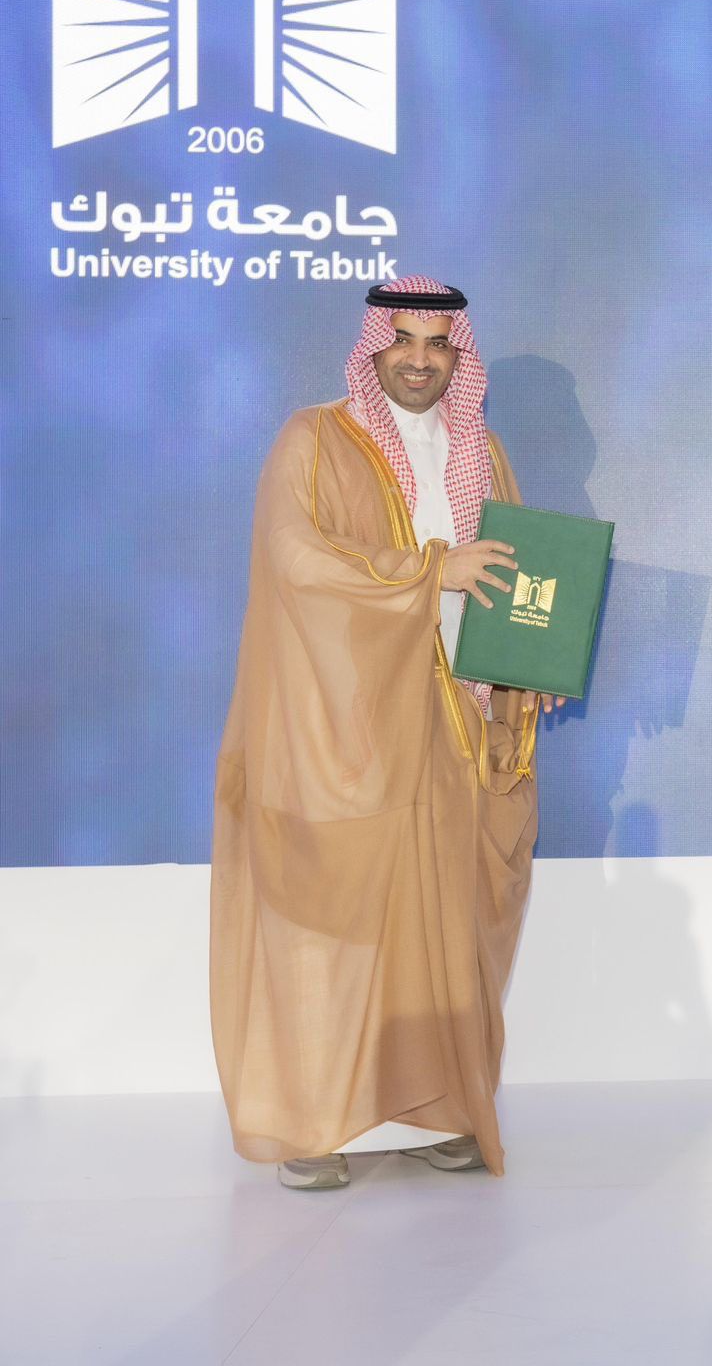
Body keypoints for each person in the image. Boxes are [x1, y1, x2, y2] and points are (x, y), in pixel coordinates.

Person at [211, 273, 562, 1189]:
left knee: (443, 921)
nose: (418, 359)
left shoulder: (482, 449)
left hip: (458, 726)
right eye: (401, 340)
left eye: (438, 344)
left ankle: (441, 1109)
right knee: (337, 924)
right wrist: (428, 572)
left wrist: (535, 665)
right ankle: (310, 1124)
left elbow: (514, 578)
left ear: (458, 356)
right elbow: (295, 555)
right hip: (349, 730)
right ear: (372, 348)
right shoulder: (314, 438)